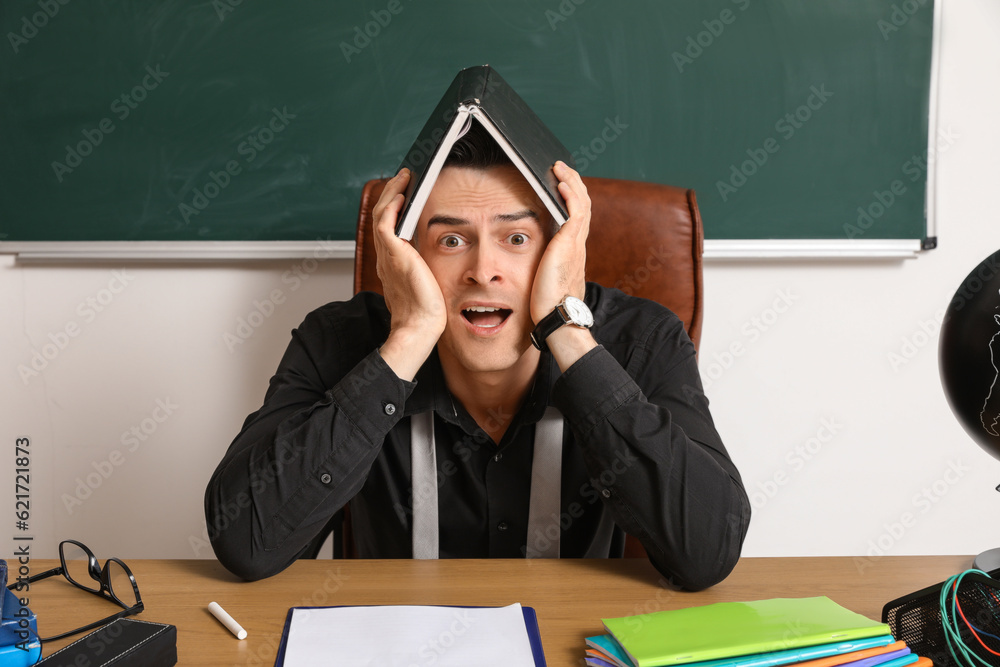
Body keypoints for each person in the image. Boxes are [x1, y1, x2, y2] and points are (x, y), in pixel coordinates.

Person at [204, 124, 750, 590]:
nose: (483, 269)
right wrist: (412, 334)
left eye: (516, 239)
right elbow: (249, 542)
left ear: (559, 250)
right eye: (450, 242)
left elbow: (705, 552)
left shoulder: (641, 340)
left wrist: (565, 326)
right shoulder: (338, 342)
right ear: (405, 257)